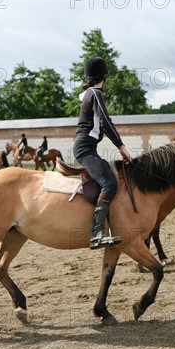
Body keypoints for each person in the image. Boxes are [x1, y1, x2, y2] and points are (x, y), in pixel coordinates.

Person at [73, 56, 133, 249]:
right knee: (109, 183)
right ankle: (97, 233)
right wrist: (122, 147)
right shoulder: (96, 93)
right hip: (85, 148)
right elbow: (106, 122)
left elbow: (104, 124)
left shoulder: (89, 93)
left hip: (87, 147)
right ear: (104, 76)